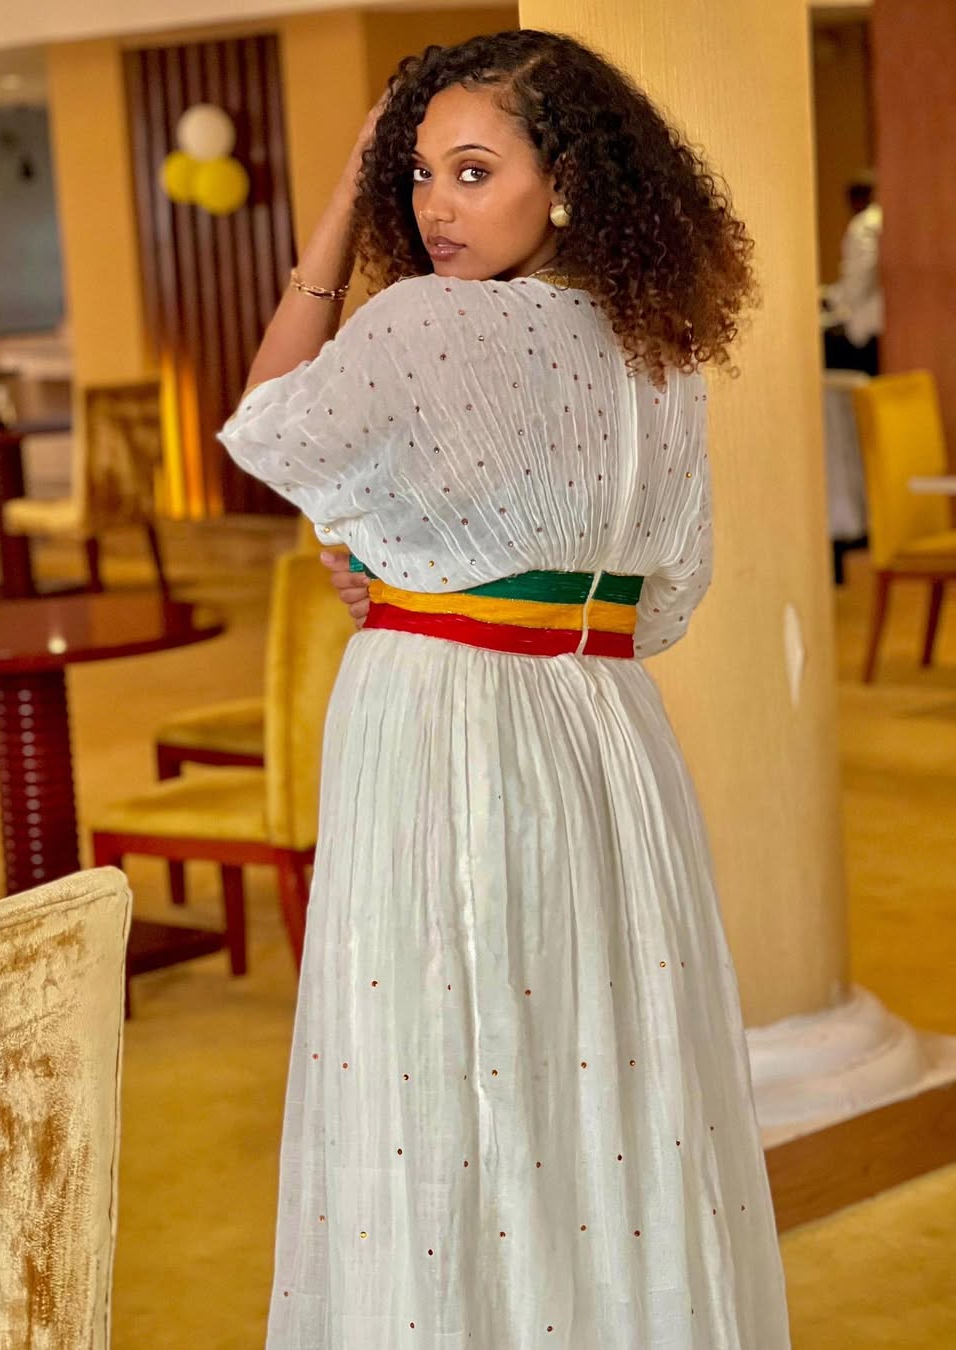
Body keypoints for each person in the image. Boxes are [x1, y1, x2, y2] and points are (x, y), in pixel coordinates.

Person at [220, 29, 790, 1348]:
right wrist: (415, 569)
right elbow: (661, 599)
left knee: (442, 1059)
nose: (431, 208)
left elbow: (266, 430)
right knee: (604, 1064)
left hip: (445, 723)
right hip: (604, 734)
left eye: (471, 171)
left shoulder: (423, 321)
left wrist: (331, 231)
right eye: (413, 175)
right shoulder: (659, 352)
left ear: (569, 183)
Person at [822, 171, 882, 375]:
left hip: (868, 329)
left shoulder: (863, 226)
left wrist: (834, 300)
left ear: (855, 200)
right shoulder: (884, 219)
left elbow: (858, 282)